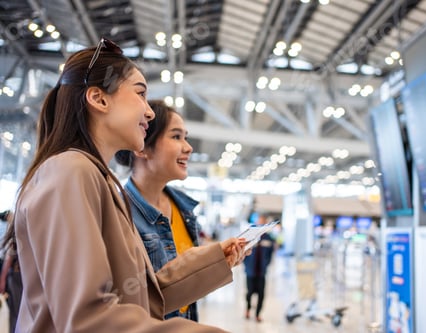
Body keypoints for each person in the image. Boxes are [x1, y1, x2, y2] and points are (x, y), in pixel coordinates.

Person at [6, 37, 247, 332]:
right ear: (98, 98)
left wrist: (213, 261)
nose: (148, 111)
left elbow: (140, 298)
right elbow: (88, 318)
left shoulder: (98, 178)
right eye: (140, 93)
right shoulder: (71, 170)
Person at [115, 100, 202, 321]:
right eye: (176, 137)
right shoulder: (119, 213)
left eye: (186, 137)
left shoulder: (184, 209)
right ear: (141, 147)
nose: (188, 147)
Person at [243, 213, 276, 322]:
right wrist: (246, 264)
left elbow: (271, 253)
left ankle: (257, 314)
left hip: (261, 271)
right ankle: (248, 309)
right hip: (250, 271)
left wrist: (266, 264)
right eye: (259, 220)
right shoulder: (250, 236)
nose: (261, 222)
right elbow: (243, 250)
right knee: (249, 292)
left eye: (263, 221)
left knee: (261, 294)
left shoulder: (268, 238)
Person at [0, 210, 22, 333]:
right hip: (13, 271)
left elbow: (10, 254)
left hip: (13, 271)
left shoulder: (14, 225)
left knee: (15, 310)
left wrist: (2, 279)